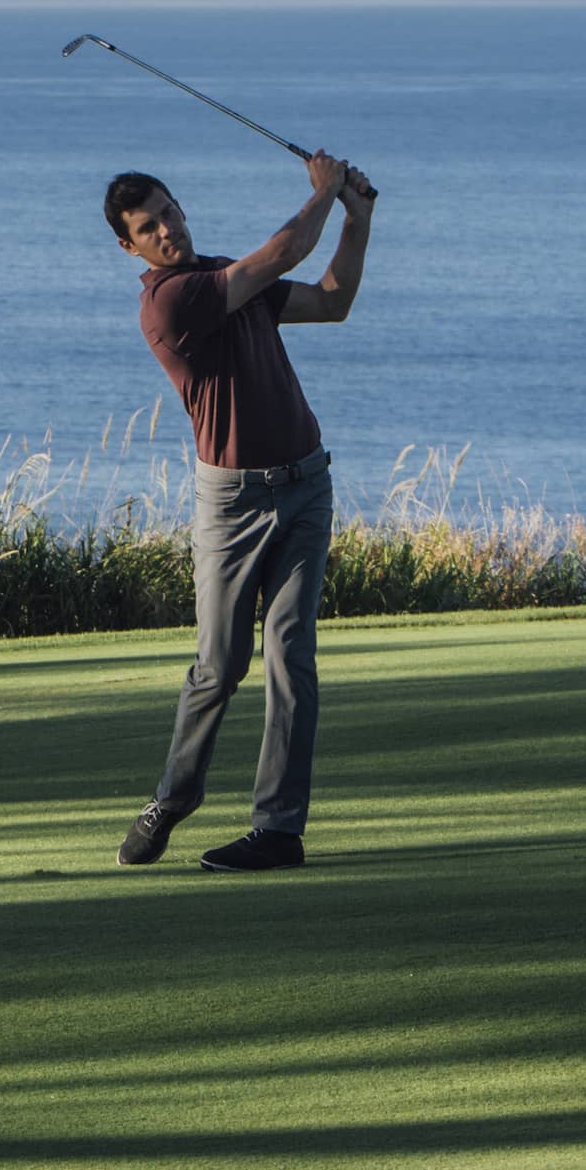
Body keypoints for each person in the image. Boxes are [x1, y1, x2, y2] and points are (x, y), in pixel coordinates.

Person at [105, 150, 374, 871]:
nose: (166, 231)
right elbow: (287, 248)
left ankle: (279, 829)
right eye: (147, 227)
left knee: (291, 654)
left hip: (305, 484)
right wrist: (324, 191)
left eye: (169, 213)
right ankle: (174, 795)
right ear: (129, 246)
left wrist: (359, 216)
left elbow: (332, 299)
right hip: (231, 503)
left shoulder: (228, 277)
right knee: (219, 667)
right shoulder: (171, 300)